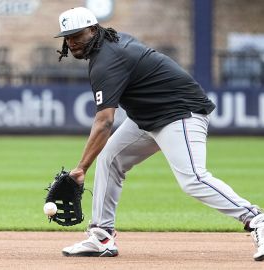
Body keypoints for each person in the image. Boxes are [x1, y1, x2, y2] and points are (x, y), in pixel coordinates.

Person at [55, 7, 264, 260]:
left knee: (194, 179)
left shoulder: (107, 60)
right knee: (110, 159)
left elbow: (104, 122)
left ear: (93, 29)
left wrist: (80, 169)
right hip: (149, 117)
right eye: (67, 36)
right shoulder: (108, 46)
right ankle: (101, 237)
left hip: (180, 113)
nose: (72, 41)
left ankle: (257, 220)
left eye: (77, 34)